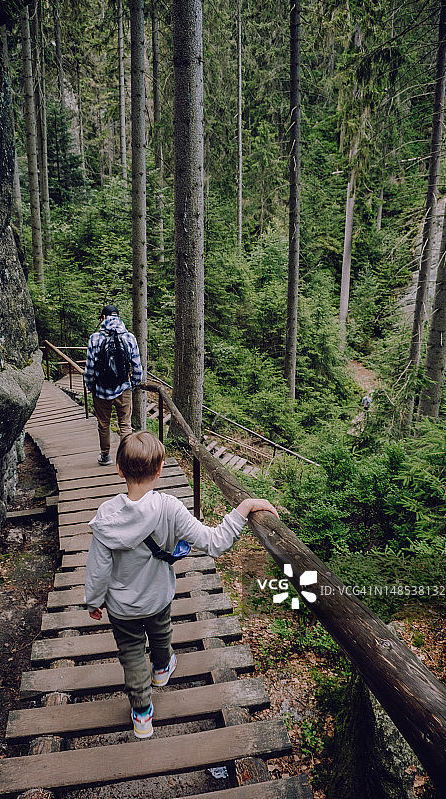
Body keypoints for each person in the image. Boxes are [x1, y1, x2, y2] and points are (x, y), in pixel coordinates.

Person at [84, 431, 279, 739]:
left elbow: (98, 568)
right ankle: (162, 669)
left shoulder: (107, 516)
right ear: (160, 469)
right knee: (161, 633)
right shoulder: (170, 508)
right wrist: (243, 507)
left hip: (121, 607)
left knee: (132, 654)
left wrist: (94, 601)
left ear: (119, 469)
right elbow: (214, 543)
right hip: (158, 597)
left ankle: (142, 714)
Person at [84, 305, 143, 465]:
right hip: (123, 388)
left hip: (101, 390)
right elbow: (137, 367)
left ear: (103, 318)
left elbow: (89, 368)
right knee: (125, 424)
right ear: (118, 317)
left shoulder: (95, 338)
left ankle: (105, 456)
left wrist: (90, 386)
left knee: (104, 424)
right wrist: (132, 384)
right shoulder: (129, 337)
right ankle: (126, 458)